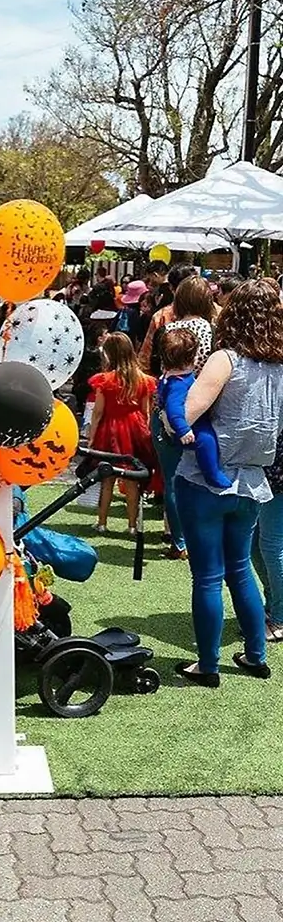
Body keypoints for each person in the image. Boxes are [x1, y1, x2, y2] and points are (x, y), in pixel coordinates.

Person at [173, 279, 283, 687]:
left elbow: (183, 413)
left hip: (206, 481)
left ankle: (208, 664)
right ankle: (255, 655)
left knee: (207, 576)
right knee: (240, 569)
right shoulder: (279, 366)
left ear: (232, 313)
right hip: (254, 482)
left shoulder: (225, 359)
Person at [149, 275, 216, 558]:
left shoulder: (168, 328)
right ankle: (201, 534)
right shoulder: (209, 329)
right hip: (200, 409)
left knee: (172, 479)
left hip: (165, 409)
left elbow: (155, 365)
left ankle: (179, 540)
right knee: (203, 475)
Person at [87, 332, 156, 534]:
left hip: (109, 429)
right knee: (132, 479)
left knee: (107, 477)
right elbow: (146, 412)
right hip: (135, 429)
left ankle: (102, 522)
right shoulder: (143, 380)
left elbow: (98, 412)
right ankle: (132, 526)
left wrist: (91, 436)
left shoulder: (104, 380)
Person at [157, 329, 230, 489]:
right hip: (190, 427)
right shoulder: (178, 383)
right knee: (206, 440)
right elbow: (173, 409)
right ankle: (212, 474)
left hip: (184, 424)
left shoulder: (169, 376)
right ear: (191, 359)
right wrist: (183, 429)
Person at [252, 431, 283, 643]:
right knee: (254, 545)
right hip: (264, 472)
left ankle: (280, 619)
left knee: (271, 546)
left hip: (277, 475)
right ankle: (272, 605)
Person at [138, 263, 198, 372]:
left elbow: (146, 357)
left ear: (171, 287)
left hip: (168, 379)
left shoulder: (162, 316)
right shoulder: (214, 313)